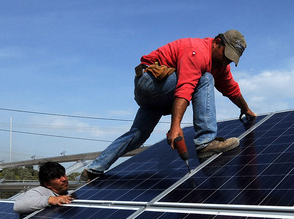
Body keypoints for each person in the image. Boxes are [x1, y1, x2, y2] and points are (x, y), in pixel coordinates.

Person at [82, 30, 257, 180]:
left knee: (138, 135)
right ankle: (205, 142)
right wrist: (175, 127)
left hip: (160, 96)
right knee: (205, 78)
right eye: (226, 56)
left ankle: (93, 169)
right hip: (149, 81)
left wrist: (245, 108)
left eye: (230, 60)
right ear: (217, 42)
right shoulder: (197, 51)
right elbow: (185, 87)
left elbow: (231, 88)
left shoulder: (220, 65)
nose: (225, 62)